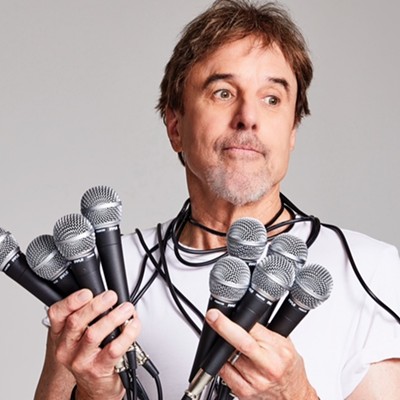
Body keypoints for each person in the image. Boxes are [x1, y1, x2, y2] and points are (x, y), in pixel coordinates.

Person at [34, 0, 400, 399]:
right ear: (175, 126)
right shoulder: (103, 277)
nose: (248, 117)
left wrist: (296, 395)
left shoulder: (371, 271)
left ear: (292, 132)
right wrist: (95, 391)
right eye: (223, 93)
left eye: (272, 98)